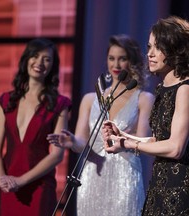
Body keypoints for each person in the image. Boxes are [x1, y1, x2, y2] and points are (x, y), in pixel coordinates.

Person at [47, 34, 155, 216]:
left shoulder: (144, 99)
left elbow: (144, 144)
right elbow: (82, 143)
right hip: (92, 178)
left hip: (124, 177)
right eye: (112, 58)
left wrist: (125, 137)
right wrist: (72, 141)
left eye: (123, 58)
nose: (116, 65)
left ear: (132, 61)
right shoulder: (90, 99)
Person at [102, 16, 189, 215]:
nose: (149, 54)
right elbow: (158, 140)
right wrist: (123, 137)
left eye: (157, 48)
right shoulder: (163, 89)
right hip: (160, 183)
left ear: (175, 49)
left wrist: (130, 145)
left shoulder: (185, 89)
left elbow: (175, 147)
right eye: (149, 47)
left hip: (180, 188)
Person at [0, 38, 71, 216]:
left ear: (52, 66)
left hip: (39, 187)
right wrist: (2, 177)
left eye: (46, 59)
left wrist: (21, 181)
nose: (39, 63)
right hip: (8, 186)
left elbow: (57, 156)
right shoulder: (7, 100)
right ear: (26, 59)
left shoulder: (59, 104)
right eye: (35, 56)